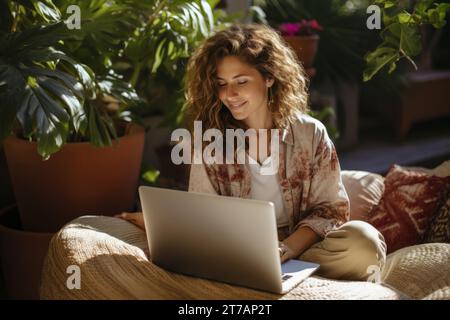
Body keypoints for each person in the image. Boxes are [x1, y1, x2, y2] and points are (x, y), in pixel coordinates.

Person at [116, 24, 386, 281]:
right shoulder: (210, 141)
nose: (229, 94)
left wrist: (286, 249)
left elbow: (331, 211)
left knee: (364, 245)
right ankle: (276, 278)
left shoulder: (309, 133)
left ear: (269, 77)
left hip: (305, 247)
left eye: (241, 81)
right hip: (239, 253)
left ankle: (280, 276)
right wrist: (159, 223)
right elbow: (205, 215)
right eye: (221, 83)